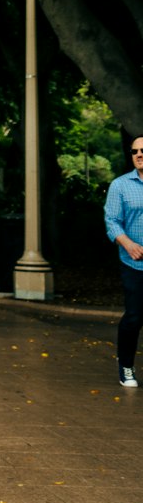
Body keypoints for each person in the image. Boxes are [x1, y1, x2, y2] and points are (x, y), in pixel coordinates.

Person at [104, 136, 143, 387]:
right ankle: (126, 366)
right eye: (135, 151)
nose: (139, 154)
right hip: (134, 264)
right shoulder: (120, 185)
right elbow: (111, 221)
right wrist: (127, 244)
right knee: (135, 317)